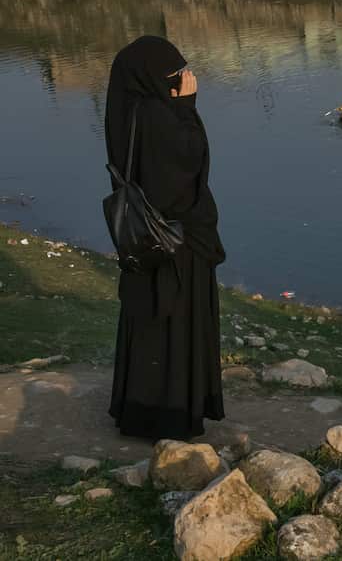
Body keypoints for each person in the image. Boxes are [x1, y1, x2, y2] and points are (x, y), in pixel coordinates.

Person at [105, 36, 226, 440]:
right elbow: (187, 166)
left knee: (147, 323)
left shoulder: (126, 108)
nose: (182, 81)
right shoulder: (160, 115)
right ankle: (172, 413)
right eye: (173, 75)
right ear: (151, 76)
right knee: (174, 323)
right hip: (174, 242)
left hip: (143, 240)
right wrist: (186, 110)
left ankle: (137, 409)